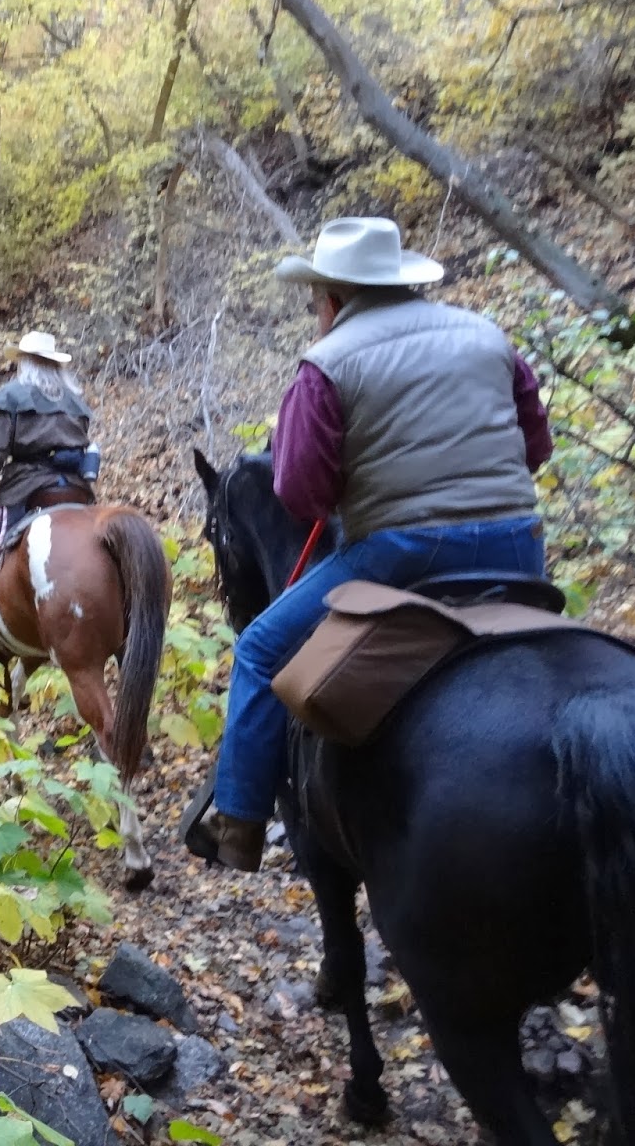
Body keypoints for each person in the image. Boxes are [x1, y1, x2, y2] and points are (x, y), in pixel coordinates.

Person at [184, 216, 554, 872]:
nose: (315, 315)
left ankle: (237, 820)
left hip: (403, 558)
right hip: (518, 546)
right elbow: (536, 448)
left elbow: (300, 494)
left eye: (315, 303)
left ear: (332, 299)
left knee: (260, 649)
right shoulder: (489, 337)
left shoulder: (326, 364)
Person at [0, 331, 102, 650]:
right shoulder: (76, 402)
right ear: (54, 366)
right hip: (76, 491)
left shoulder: (10, 397)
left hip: (27, 490)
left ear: (24, 364)